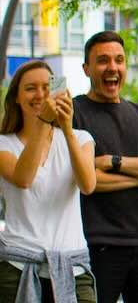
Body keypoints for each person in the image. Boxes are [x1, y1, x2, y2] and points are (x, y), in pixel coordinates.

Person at [72, 31, 138, 303]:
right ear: (86, 68)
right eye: (103, 61)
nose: (112, 68)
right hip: (95, 246)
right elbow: (86, 182)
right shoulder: (74, 114)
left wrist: (114, 162)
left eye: (119, 60)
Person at [0, 61, 97, 302]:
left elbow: (88, 185)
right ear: (16, 99)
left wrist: (66, 127)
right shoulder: (4, 144)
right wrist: (44, 122)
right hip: (18, 267)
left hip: (72, 269)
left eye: (47, 86)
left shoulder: (81, 138)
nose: (41, 94)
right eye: (31, 88)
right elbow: (23, 178)